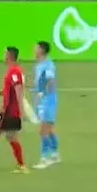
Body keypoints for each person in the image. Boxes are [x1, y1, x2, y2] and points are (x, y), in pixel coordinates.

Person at [32, 41, 60, 169]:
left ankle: (45, 158)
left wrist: (42, 94)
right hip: (43, 99)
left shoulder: (48, 65)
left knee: (43, 131)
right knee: (49, 130)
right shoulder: (39, 65)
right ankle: (55, 154)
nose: (34, 49)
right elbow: (40, 82)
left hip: (48, 100)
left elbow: (50, 81)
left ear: (41, 50)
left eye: (36, 47)